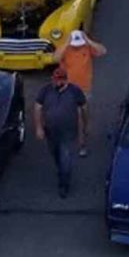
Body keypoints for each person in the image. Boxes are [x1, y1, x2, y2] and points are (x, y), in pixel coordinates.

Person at [31, 64, 89, 198]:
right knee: (56, 154)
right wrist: (39, 127)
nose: (58, 82)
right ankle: (61, 169)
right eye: (55, 79)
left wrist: (85, 126)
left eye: (61, 79)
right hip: (51, 132)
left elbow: (84, 108)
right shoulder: (45, 90)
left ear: (66, 80)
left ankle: (64, 184)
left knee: (66, 159)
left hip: (68, 133)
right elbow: (37, 107)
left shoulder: (75, 91)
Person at [54, 30, 108, 153]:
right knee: (73, 115)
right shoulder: (66, 49)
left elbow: (102, 51)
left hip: (84, 88)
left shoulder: (87, 47)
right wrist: (66, 43)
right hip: (67, 88)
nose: (77, 47)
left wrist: (88, 41)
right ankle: (80, 144)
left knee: (83, 114)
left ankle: (85, 130)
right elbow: (55, 58)